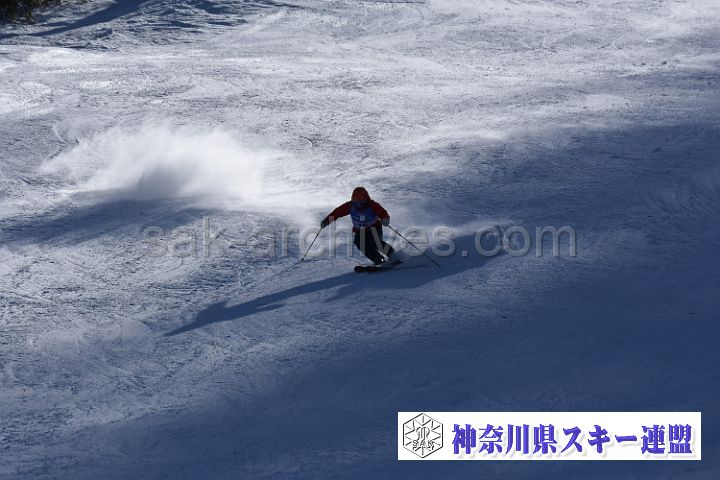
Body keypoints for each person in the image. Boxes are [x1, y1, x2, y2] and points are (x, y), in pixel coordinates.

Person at [320, 187, 396, 265]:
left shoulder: (373, 205)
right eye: (357, 202)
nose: (359, 205)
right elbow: (336, 213)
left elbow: (384, 214)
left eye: (362, 202)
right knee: (360, 243)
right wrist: (326, 221)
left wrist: (385, 219)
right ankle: (378, 259)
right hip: (361, 230)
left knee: (375, 242)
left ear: (366, 200)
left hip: (375, 228)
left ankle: (393, 255)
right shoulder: (349, 206)